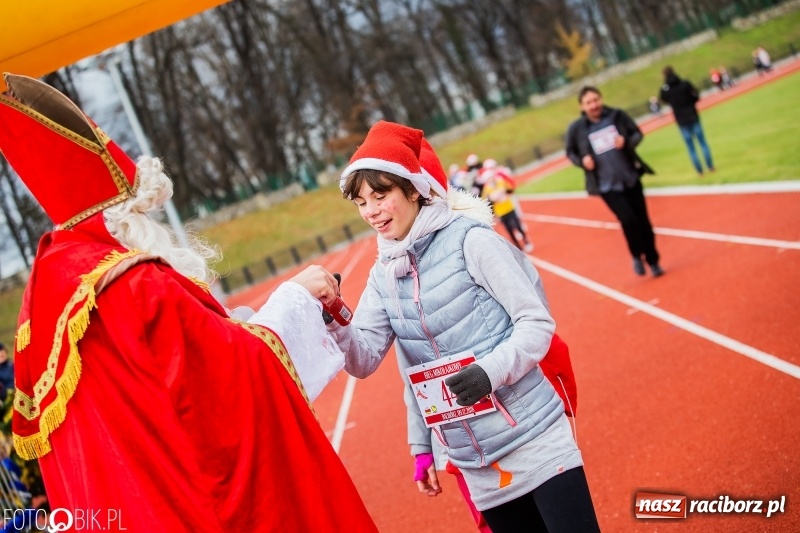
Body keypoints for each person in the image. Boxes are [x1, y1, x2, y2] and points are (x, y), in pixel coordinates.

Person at [0, 73, 376, 532]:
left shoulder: (50, 297)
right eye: (144, 212)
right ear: (122, 218)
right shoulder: (137, 285)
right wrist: (295, 297)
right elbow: (228, 383)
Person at [314, 120, 601, 532]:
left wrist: (489, 372)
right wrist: (333, 315)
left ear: (413, 189)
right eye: (361, 202)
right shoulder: (382, 275)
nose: (371, 211)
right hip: (478, 463)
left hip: (534, 436)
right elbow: (363, 360)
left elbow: (536, 322)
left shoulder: (472, 242)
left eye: (380, 195)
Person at [566, 86, 664, 277]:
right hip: (606, 185)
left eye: (596, 100)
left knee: (643, 222)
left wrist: (626, 141)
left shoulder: (617, 116)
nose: (593, 105)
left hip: (630, 178)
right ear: (582, 106)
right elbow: (571, 152)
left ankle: (653, 261)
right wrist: (583, 162)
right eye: (588, 102)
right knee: (628, 219)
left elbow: (637, 133)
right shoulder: (576, 129)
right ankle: (636, 254)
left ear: (601, 99)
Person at [659, 66, 715, 177]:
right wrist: (691, 104)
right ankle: (710, 166)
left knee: (691, 148)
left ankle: (699, 171)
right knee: (702, 142)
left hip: (681, 121)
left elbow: (663, 98)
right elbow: (695, 95)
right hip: (693, 116)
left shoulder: (667, 89)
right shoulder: (684, 84)